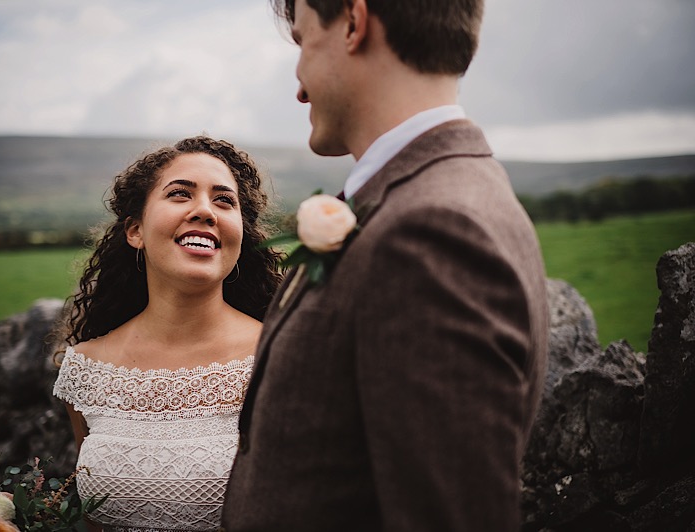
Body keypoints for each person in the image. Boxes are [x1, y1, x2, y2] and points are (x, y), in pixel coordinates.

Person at [224, 0, 549, 529]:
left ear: (354, 22)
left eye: (303, 41)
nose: (300, 86)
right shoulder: (434, 197)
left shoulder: (432, 233)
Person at [52, 136, 282, 531]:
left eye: (224, 200)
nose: (206, 211)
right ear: (135, 231)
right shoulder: (85, 368)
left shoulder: (280, 356)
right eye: (180, 194)